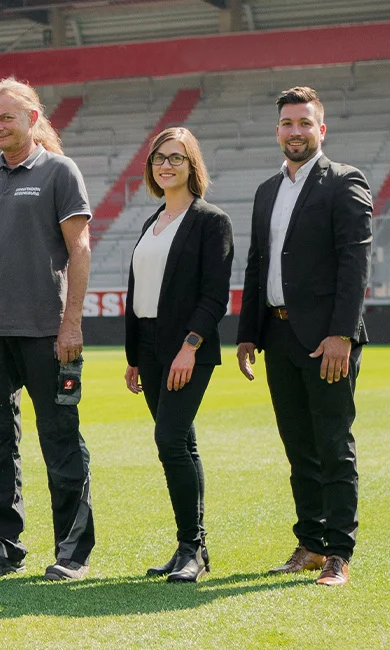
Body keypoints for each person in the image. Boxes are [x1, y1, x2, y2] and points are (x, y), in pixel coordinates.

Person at [0, 78, 97, 582]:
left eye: (6, 117)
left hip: (46, 331)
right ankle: (3, 548)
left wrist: (71, 322)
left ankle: (72, 552)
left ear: (32, 118)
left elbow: (80, 250)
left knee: (59, 438)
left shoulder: (60, 172)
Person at [235, 86, 373, 587]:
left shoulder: (345, 183)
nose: (296, 131)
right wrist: (248, 333)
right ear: (278, 131)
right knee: (298, 447)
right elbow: (257, 266)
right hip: (278, 334)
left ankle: (339, 552)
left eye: (304, 123)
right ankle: (310, 543)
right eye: (288, 123)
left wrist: (342, 334)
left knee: (333, 444)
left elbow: (355, 265)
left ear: (321, 129)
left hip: (326, 340)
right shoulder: (267, 191)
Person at [121, 127, 233, 583]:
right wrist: (133, 356)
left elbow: (215, 296)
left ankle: (191, 546)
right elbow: (140, 292)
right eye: (159, 159)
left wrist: (190, 347)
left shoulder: (211, 220)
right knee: (181, 442)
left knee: (169, 440)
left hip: (187, 347)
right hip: (148, 347)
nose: (166, 165)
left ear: (193, 166)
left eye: (177, 158)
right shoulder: (151, 222)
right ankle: (193, 548)